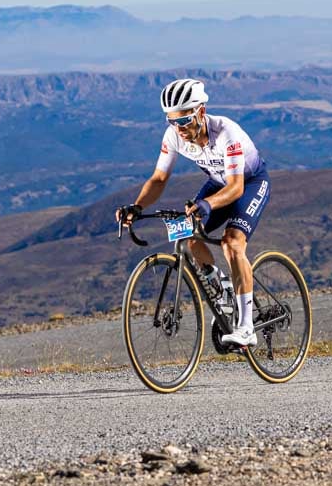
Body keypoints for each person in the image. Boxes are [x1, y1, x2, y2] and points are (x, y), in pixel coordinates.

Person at [116, 78, 270, 347]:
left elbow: (235, 189)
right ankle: (223, 288)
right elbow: (159, 179)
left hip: (249, 183)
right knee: (187, 235)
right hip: (219, 182)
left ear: (200, 111)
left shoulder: (227, 134)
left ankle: (246, 328)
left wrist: (208, 205)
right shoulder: (174, 135)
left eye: (184, 121)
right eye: (172, 121)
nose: (179, 128)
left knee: (232, 244)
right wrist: (138, 206)